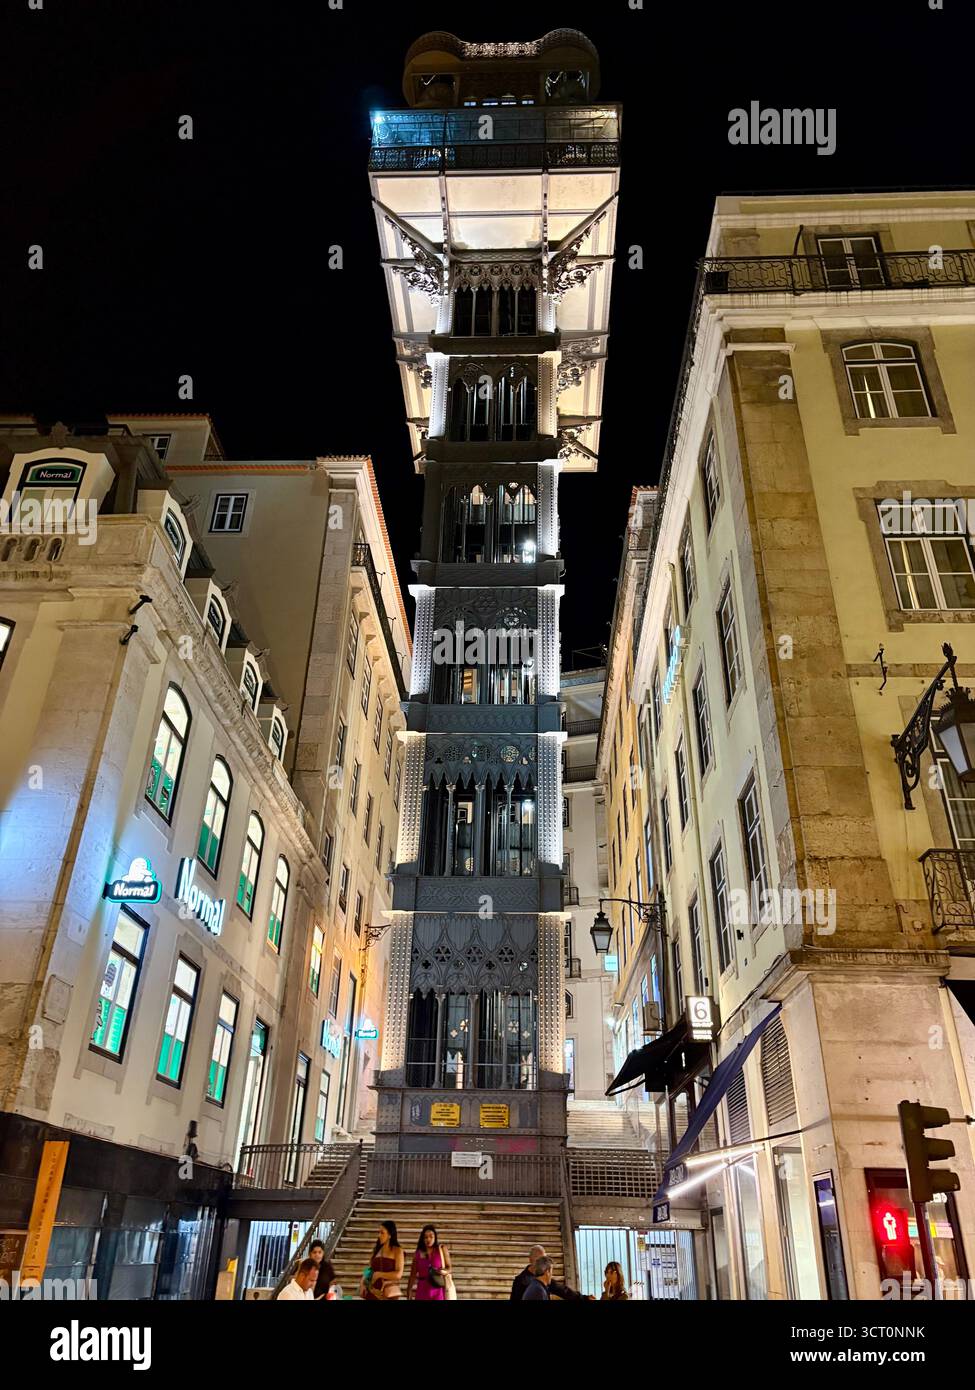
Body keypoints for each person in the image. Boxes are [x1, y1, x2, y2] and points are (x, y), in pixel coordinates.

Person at [509, 1245, 590, 1301]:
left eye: (544, 1259)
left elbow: (563, 1290)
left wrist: (583, 1298)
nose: (543, 1263)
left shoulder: (544, 1277)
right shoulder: (520, 1281)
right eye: (540, 1260)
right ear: (530, 1260)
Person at [407, 1224, 452, 1301]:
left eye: (431, 1236)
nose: (428, 1239)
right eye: (426, 1237)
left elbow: (449, 1268)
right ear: (422, 1239)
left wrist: (443, 1271)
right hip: (422, 1290)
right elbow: (412, 1275)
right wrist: (409, 1291)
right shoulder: (418, 1254)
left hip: (437, 1289)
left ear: (435, 1237)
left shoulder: (441, 1249)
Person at [361, 1220, 404, 1300]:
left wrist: (379, 1274)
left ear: (390, 1235)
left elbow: (398, 1274)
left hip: (388, 1293)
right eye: (379, 1232)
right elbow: (369, 1269)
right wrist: (362, 1282)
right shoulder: (377, 1250)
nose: (379, 1235)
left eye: (382, 1233)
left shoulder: (397, 1250)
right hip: (372, 1293)